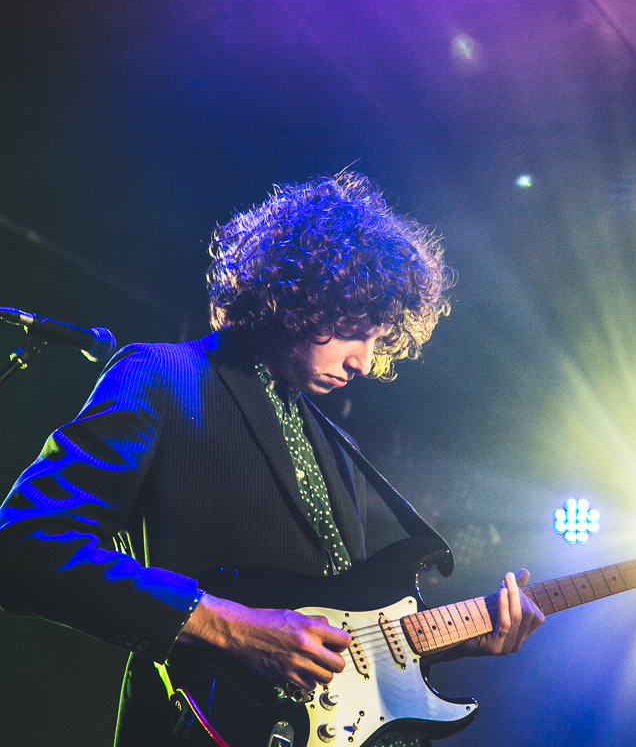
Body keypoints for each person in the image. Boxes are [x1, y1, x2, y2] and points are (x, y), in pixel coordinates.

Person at [0, 171, 544, 746]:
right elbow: (24, 545)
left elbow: (343, 638)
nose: (364, 361)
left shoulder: (340, 447)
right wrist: (228, 625)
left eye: (379, 339)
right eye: (354, 330)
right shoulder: (162, 375)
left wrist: (454, 640)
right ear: (297, 297)